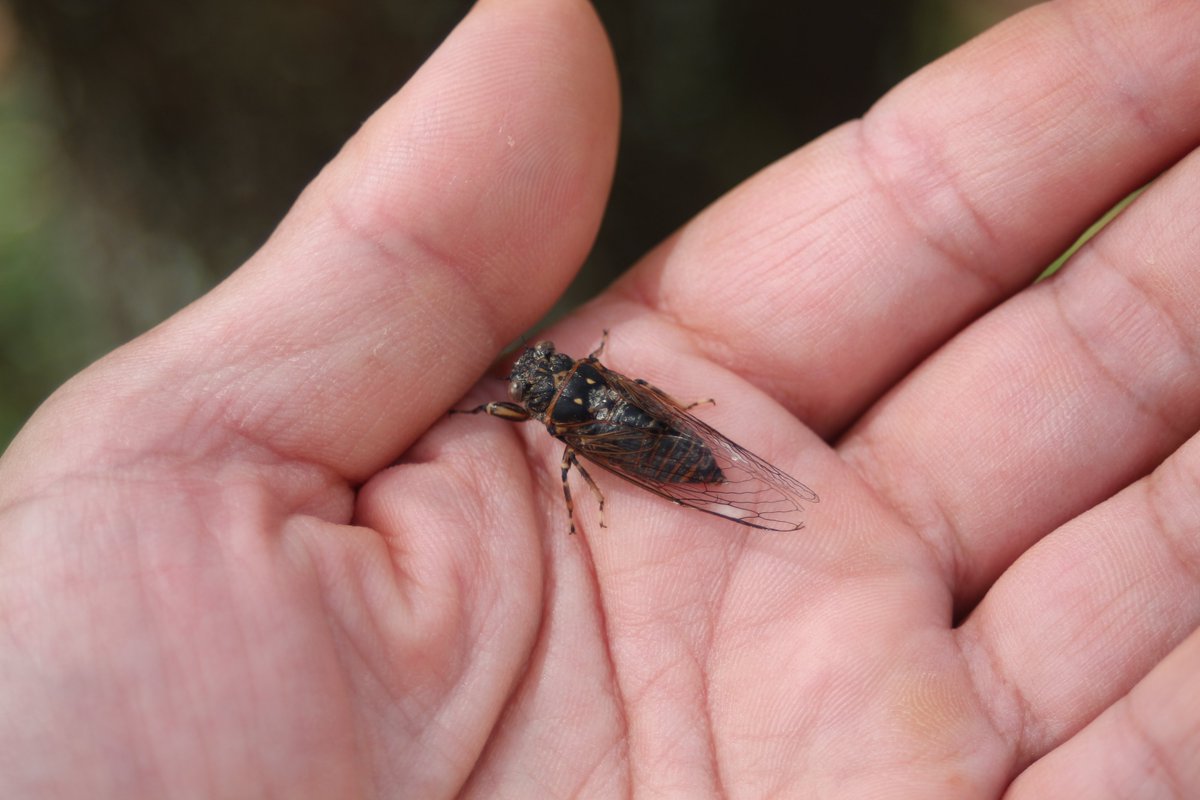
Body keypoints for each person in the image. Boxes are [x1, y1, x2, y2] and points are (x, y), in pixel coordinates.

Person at [2, 0, 1198, 796]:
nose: (533, 386)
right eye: (534, 386)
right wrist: (604, 430)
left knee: (647, 451)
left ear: (551, 385)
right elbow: (580, 431)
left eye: (538, 382)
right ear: (547, 391)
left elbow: (581, 438)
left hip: (656, 437)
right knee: (648, 453)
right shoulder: (559, 411)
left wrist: (602, 438)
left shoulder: (558, 417)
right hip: (645, 437)